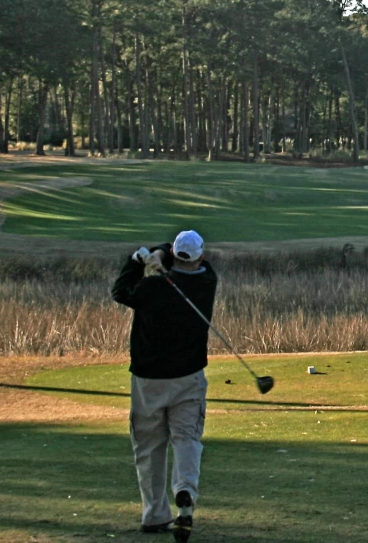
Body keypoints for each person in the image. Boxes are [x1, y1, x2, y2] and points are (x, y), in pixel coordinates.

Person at [112, 229, 217, 538]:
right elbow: (183, 261)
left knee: (149, 448)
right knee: (186, 438)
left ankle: (155, 514)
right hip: (189, 377)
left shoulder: (152, 287)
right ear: (200, 256)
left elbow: (121, 291)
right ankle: (185, 492)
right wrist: (161, 256)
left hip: (148, 380)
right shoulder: (207, 279)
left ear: (172, 254)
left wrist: (140, 259)